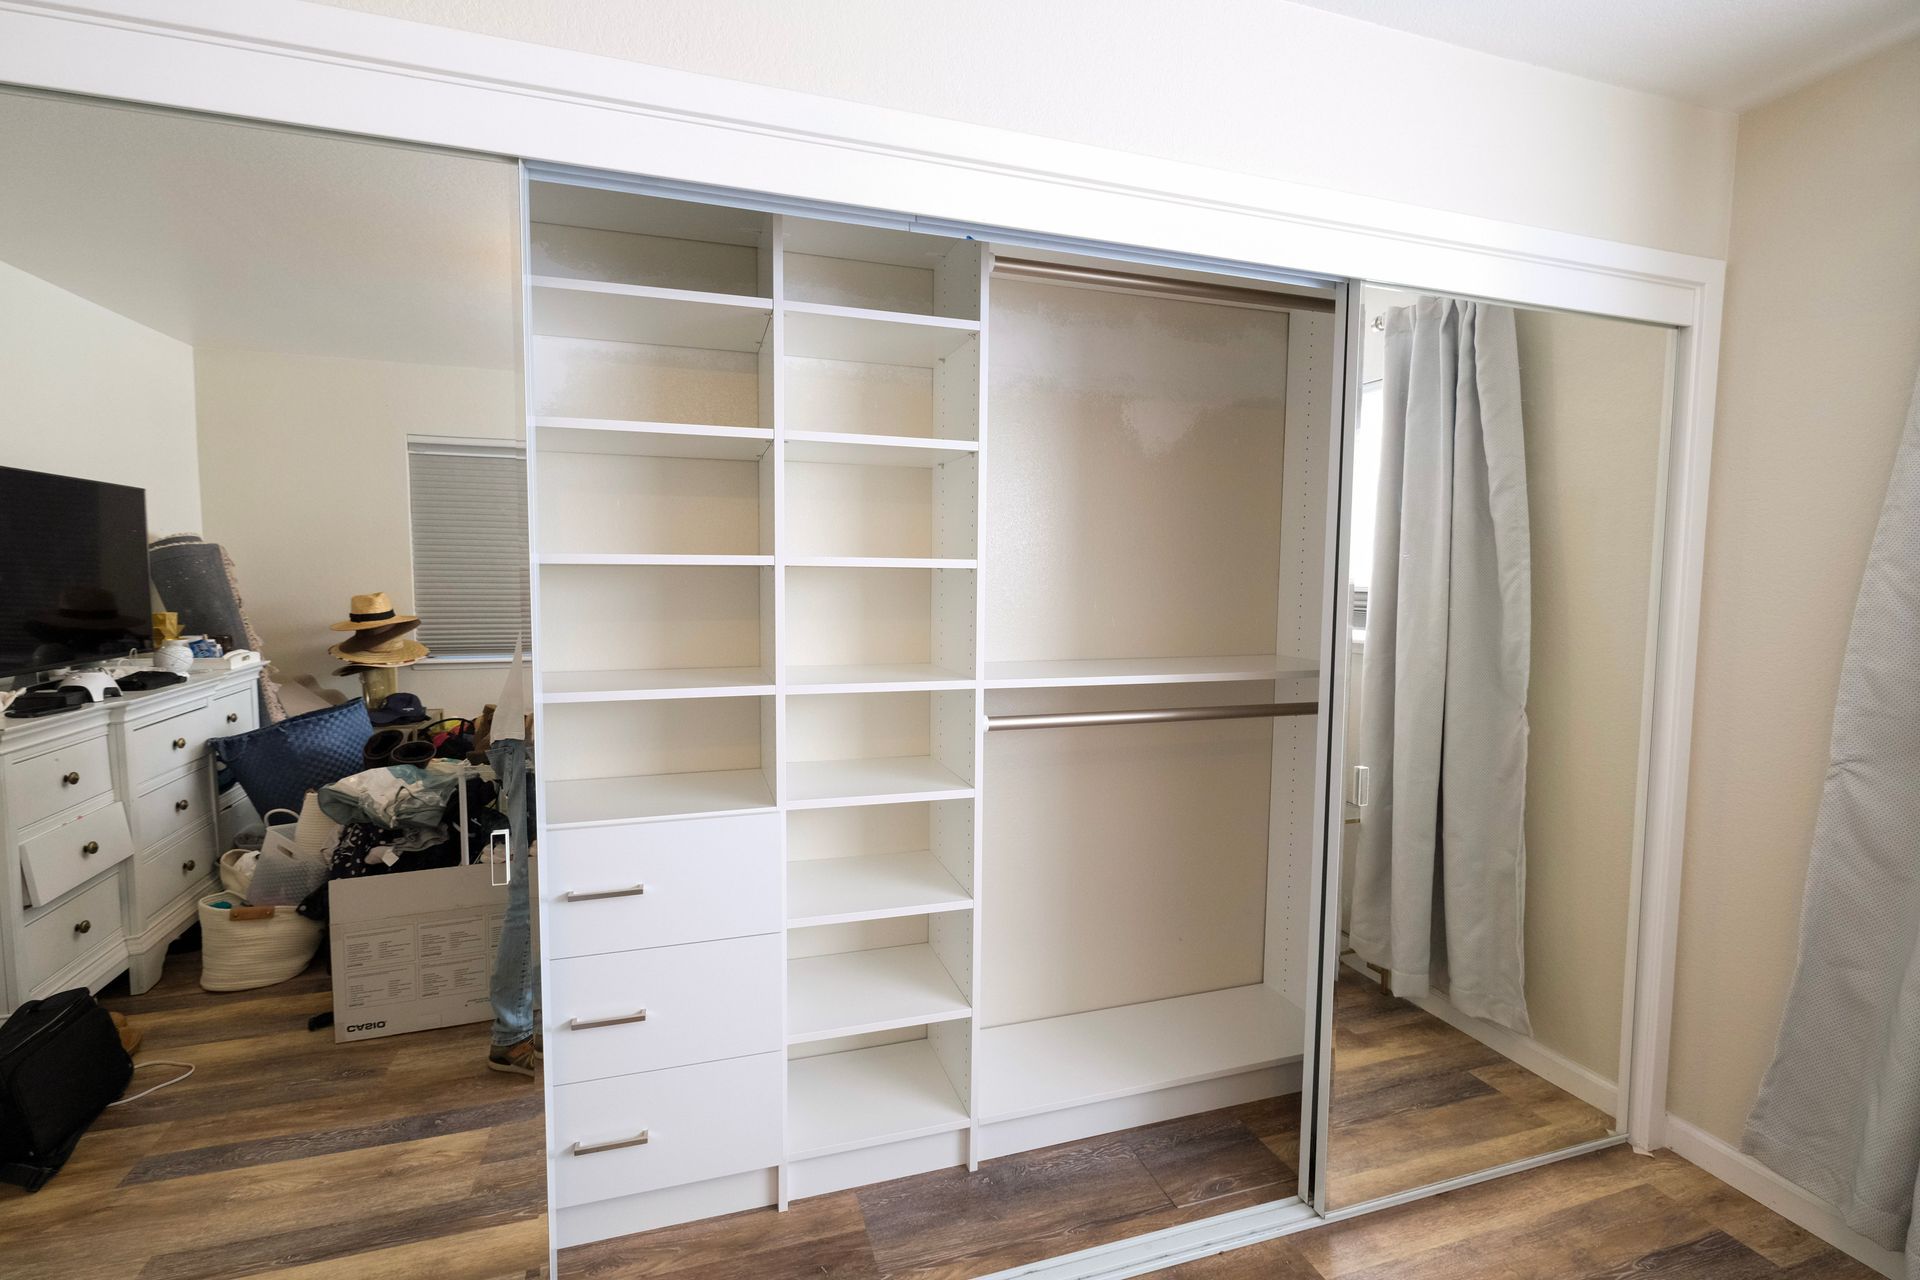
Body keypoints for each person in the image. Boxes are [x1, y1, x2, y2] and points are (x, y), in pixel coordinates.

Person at [485, 642, 540, 1076]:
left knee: (535, 903)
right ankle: (513, 1035)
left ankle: (525, 1030)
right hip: (530, 752)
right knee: (527, 903)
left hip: (525, 745)